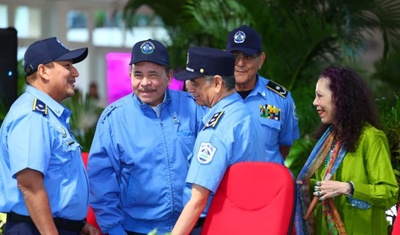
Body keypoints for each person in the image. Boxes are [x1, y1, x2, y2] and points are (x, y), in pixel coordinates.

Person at [87, 39, 205, 235]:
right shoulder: (114, 117)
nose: (145, 83)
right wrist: (115, 229)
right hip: (136, 228)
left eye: (153, 75)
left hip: (191, 225)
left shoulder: (192, 108)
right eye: (138, 75)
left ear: (168, 77)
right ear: (130, 75)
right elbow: (101, 179)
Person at [0, 37, 99, 235]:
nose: (75, 73)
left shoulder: (49, 115)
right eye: (67, 66)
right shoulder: (32, 116)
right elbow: (29, 184)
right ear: (43, 71)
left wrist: (75, 226)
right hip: (35, 229)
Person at [171, 46, 265, 235]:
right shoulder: (243, 113)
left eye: (196, 83)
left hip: (214, 224)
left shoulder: (216, 130)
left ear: (216, 83)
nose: (190, 89)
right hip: (244, 221)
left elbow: (197, 201)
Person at [294, 67, 399, 234]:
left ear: (339, 99)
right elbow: (325, 186)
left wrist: (349, 188)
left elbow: (390, 192)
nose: (315, 102)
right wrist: (301, 184)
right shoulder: (327, 139)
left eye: (320, 96)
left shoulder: (371, 137)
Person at [226, 25, 299, 163]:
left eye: (247, 56)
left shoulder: (280, 99)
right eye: (234, 56)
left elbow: (285, 146)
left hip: (268, 182)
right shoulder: (214, 96)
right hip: (229, 183)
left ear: (261, 60)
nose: (240, 63)